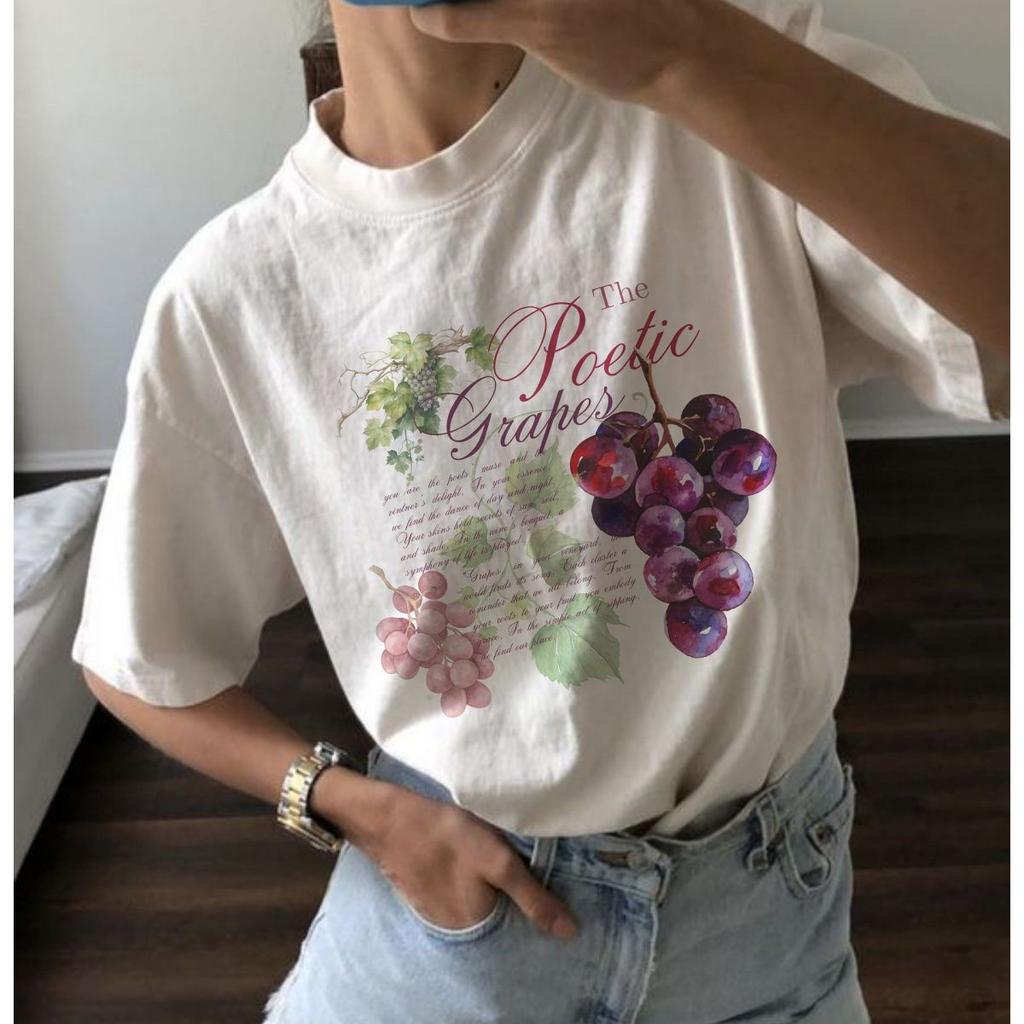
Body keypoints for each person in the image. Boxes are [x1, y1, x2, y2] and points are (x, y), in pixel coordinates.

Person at [72, 0, 1008, 1020]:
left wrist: (690, 54)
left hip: (768, 929)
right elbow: (140, 658)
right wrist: (347, 805)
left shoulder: (723, 85)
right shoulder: (241, 292)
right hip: (456, 941)